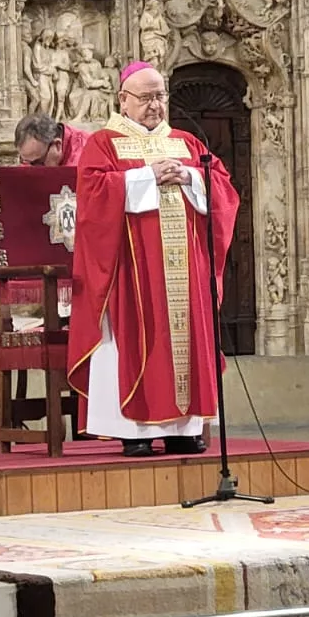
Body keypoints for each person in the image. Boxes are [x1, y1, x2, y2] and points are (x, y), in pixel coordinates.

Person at [66, 61, 241, 457]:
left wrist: (192, 178)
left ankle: (184, 428)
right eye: (145, 98)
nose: (155, 105)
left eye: (160, 96)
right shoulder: (104, 143)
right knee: (135, 339)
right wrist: (146, 176)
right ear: (123, 101)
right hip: (132, 271)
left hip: (184, 271)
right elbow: (92, 198)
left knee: (184, 337)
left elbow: (224, 188)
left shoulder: (187, 143)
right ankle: (134, 430)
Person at [14, 113, 88, 167]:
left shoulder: (87, 153)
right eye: (24, 160)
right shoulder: (32, 156)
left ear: (57, 145)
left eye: (37, 162)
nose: (31, 168)